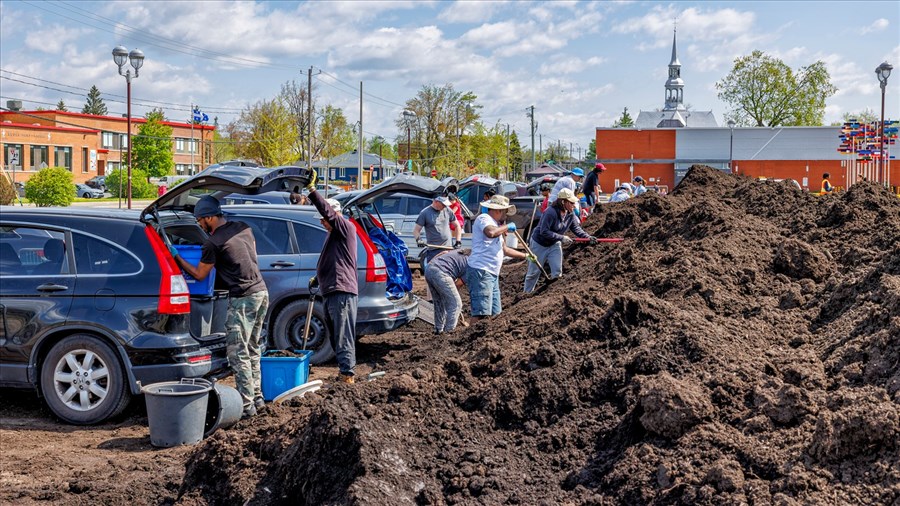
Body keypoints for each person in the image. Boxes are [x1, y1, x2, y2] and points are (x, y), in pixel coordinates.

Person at [169, 195, 269, 419]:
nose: (199, 224)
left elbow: (199, 274)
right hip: (261, 292)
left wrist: (176, 257)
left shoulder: (213, 243)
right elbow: (249, 253)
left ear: (210, 218)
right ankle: (258, 397)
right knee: (252, 347)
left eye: (199, 220)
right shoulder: (243, 228)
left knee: (238, 352)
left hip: (242, 298)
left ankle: (246, 405)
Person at [304, 171, 359, 384]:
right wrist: (318, 278)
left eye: (324, 219)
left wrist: (312, 190)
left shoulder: (345, 227)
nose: (322, 223)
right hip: (332, 289)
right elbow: (332, 260)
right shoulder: (333, 236)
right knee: (336, 334)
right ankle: (344, 371)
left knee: (343, 334)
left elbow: (327, 212)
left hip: (341, 291)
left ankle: (348, 375)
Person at [467, 195, 532, 321]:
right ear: (498, 210)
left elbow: (505, 250)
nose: (506, 215)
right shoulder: (484, 218)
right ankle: (472, 339)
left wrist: (525, 255)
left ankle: (488, 339)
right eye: (505, 212)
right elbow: (490, 233)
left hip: (492, 273)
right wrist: (506, 227)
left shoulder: (496, 225)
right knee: (481, 313)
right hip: (481, 271)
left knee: (496, 313)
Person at [524, 188, 594, 293]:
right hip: (540, 244)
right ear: (563, 202)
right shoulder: (550, 212)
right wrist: (562, 238)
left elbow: (576, 228)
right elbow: (544, 231)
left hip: (554, 244)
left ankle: (553, 295)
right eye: (571, 203)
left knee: (557, 271)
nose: (574, 205)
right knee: (533, 273)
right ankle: (526, 295)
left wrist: (588, 237)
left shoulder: (570, 213)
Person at [424, 248, 469, 334]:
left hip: (429, 269)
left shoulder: (460, 251)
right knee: (456, 304)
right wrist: (452, 296)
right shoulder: (472, 265)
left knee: (439, 302)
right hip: (441, 273)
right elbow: (458, 284)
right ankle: (449, 333)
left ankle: (438, 329)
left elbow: (443, 252)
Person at [414, 195, 462, 269]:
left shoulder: (447, 210)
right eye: (443, 204)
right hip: (434, 250)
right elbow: (416, 230)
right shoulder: (425, 213)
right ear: (436, 202)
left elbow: (457, 226)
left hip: (448, 248)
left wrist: (458, 241)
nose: (444, 206)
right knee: (434, 272)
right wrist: (418, 240)